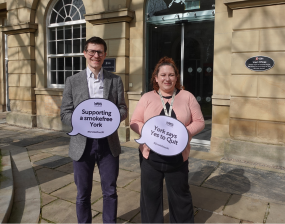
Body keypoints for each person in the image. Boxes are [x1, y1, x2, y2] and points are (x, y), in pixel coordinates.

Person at [61, 36, 127, 223]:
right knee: (83, 193)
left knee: (110, 191)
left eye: (99, 52)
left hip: (108, 144)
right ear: (85, 53)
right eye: (92, 51)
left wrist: (113, 118)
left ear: (105, 55)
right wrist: (81, 122)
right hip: (82, 145)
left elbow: (122, 108)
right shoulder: (73, 81)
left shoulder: (115, 80)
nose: (95, 55)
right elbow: (65, 113)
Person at [130, 56, 204, 223]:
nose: (167, 79)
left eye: (171, 75)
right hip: (151, 157)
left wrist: (184, 132)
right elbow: (134, 122)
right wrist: (147, 132)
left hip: (177, 158)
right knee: (150, 197)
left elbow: (199, 122)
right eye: (163, 75)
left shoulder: (187, 97)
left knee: (180, 197)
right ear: (156, 78)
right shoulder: (147, 97)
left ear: (176, 77)